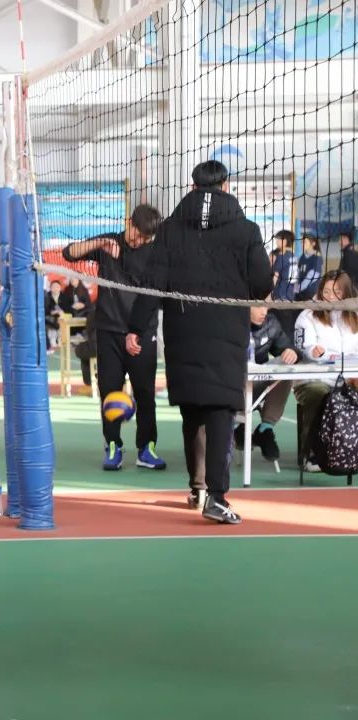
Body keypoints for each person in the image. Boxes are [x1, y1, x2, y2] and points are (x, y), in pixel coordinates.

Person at [128, 160, 272, 525]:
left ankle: (197, 489)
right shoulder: (246, 229)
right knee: (221, 410)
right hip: (227, 332)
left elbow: (152, 283)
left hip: (182, 331)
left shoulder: (170, 230)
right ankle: (217, 497)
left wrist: (135, 327)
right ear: (226, 186)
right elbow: (261, 283)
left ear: (192, 187)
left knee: (192, 409)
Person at [62, 204, 167, 472]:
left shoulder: (154, 253)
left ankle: (146, 449)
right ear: (128, 223)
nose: (139, 241)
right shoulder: (109, 242)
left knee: (145, 394)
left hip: (141, 334)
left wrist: (137, 333)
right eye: (137, 234)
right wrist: (100, 244)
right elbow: (69, 253)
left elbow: (149, 293)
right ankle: (113, 446)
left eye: (145, 238)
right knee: (109, 392)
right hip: (109, 332)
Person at [293, 270, 358, 471]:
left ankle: (352, 450)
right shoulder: (307, 316)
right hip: (314, 379)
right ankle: (313, 453)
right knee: (319, 394)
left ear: (346, 292)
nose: (331, 296)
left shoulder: (355, 315)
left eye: (337, 291)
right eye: (327, 291)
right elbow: (304, 347)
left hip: (350, 378)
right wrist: (313, 351)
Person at [235, 302, 297, 462]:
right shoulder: (228, 322)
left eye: (265, 307)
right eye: (258, 307)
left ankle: (265, 429)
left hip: (256, 385)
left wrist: (292, 352)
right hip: (231, 387)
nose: (264, 312)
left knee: (285, 369)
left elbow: (286, 347)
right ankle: (239, 427)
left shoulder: (271, 323)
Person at [296, 235, 323, 301]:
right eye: (301, 242)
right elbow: (298, 272)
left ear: (313, 243)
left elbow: (311, 276)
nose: (302, 244)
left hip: (311, 294)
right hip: (301, 292)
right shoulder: (303, 256)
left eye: (304, 242)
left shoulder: (317, 257)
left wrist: (298, 288)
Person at [44, 280, 63, 350]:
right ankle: (52, 341)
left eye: (57, 287)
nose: (55, 288)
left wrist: (62, 312)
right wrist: (52, 312)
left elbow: (68, 309)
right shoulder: (46, 296)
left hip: (62, 316)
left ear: (60, 288)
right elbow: (45, 309)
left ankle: (61, 340)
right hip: (50, 317)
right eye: (53, 287)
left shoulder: (64, 297)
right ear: (50, 288)